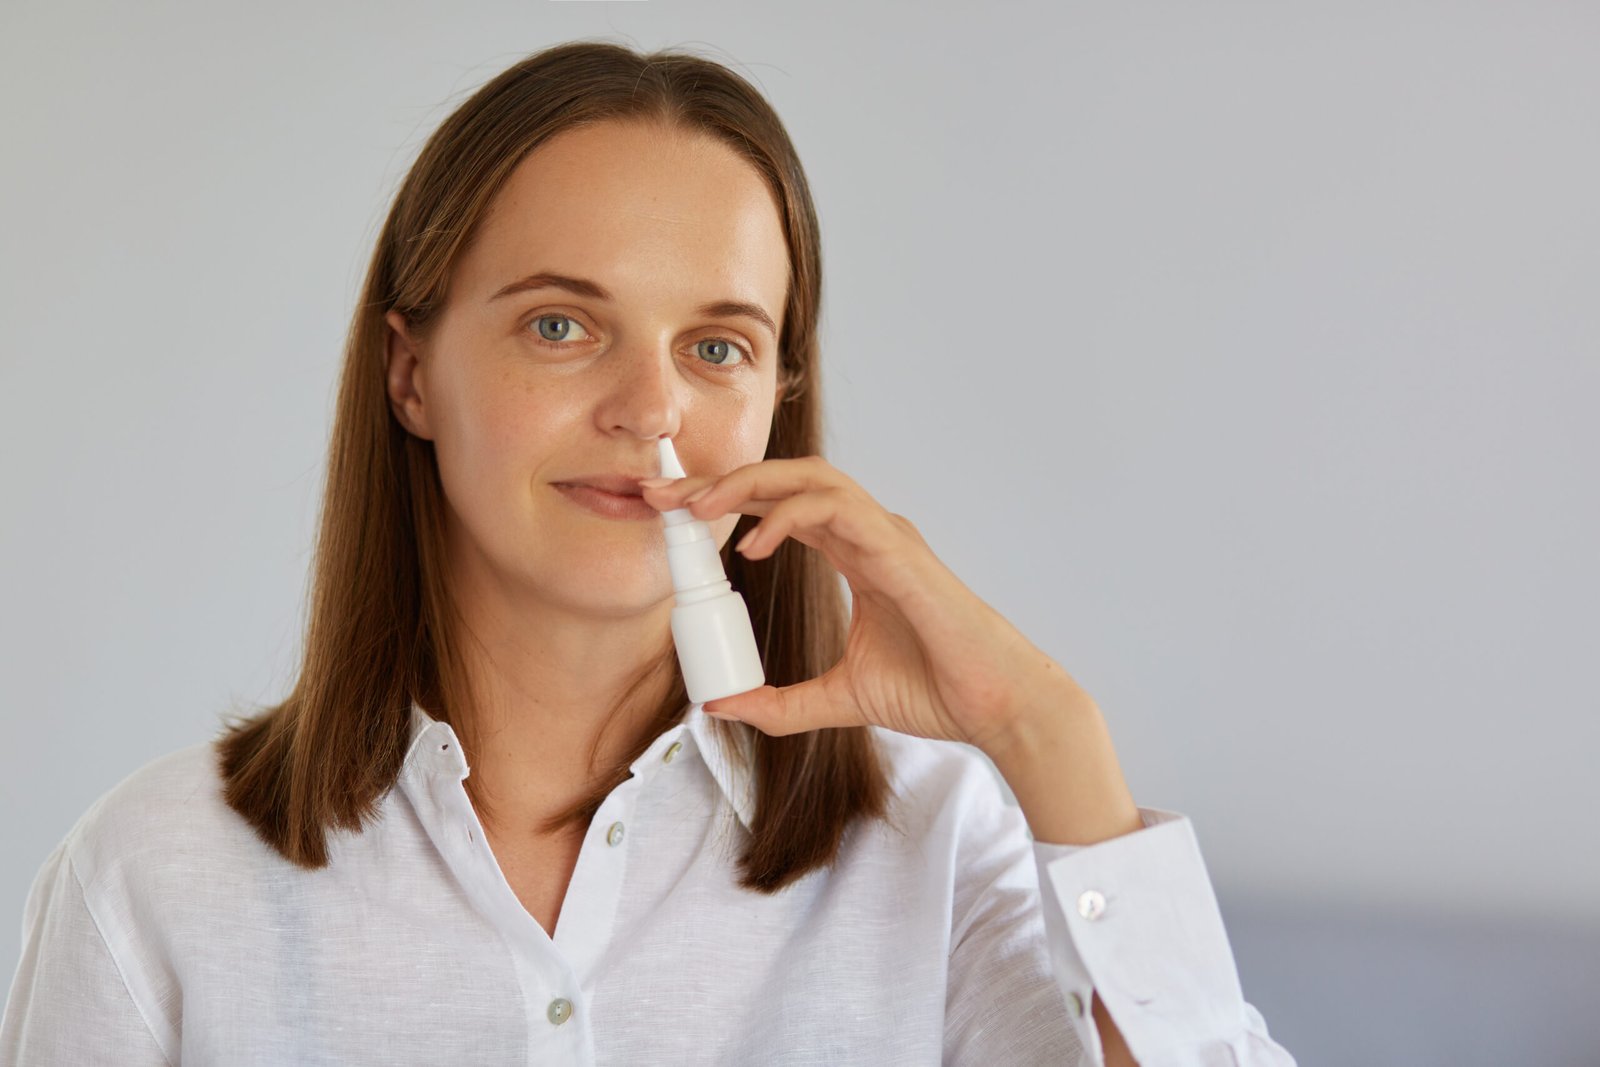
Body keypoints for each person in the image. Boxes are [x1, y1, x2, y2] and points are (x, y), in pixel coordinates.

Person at [0, 40, 1296, 1066]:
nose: (651, 411)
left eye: (717, 345)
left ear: (779, 396)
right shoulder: (151, 884)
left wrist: (1045, 731)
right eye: (562, 326)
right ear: (409, 373)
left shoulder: (938, 859)